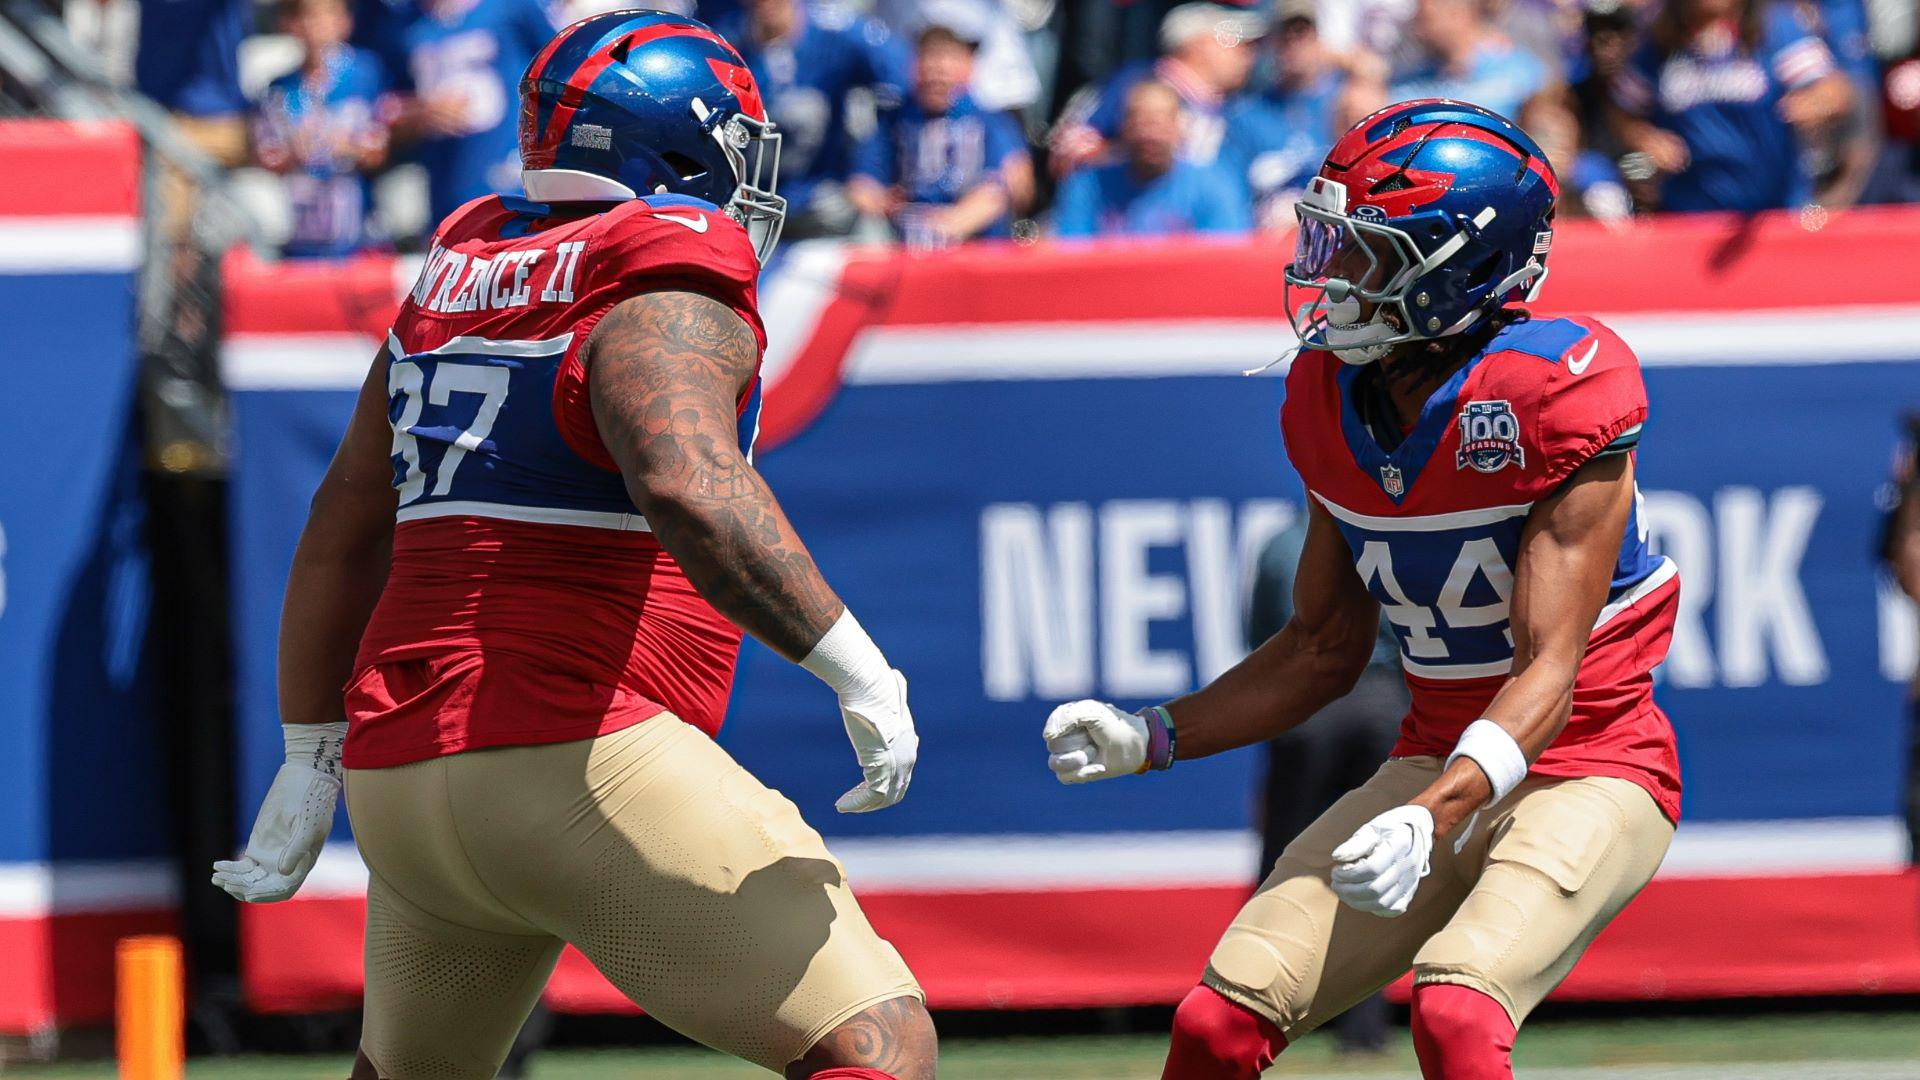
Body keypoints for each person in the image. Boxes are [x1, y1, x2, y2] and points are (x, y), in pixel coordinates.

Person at [211, 13, 935, 1079]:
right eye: (732, 143)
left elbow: (339, 528)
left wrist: (311, 752)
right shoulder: (659, 273)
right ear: (674, 146)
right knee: (881, 1049)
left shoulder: (458, 269)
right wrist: (860, 671)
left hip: (405, 777)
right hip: (570, 749)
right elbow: (690, 484)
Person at [1041, 99, 1682, 1080]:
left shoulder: (1552, 390)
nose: (1330, 274)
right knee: (1219, 1023)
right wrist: (1153, 735)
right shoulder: (1329, 396)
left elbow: (1551, 668)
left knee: (1457, 1010)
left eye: (1366, 252)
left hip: (1589, 763)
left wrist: (1437, 812)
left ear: (1459, 266)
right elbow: (1320, 649)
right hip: (1428, 762)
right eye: (1332, 243)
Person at [1243, 514, 1406, 1056]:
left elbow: (1261, 638)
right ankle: (1363, 1029)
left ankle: (1255, 1010)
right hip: (1380, 702)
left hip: (1306, 703)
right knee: (1371, 862)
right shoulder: (1383, 534)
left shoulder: (1282, 546)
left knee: (1286, 862)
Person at [1609, 0, 1853, 213]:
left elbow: (1835, 91)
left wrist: (1816, 104)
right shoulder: (1660, 39)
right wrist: (1646, 139)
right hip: (1688, 215)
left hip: (1772, 216)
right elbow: (1623, 111)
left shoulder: (1773, 28)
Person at [715, 0, 910, 239]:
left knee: (873, 233)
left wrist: (870, 171)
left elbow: (899, 90)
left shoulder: (840, 31)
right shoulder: (723, 43)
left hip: (826, 196)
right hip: (748, 203)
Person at [849, 14, 1033, 248]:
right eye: (928, 57)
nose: (936, 69)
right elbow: (862, 184)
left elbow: (1007, 187)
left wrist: (950, 223)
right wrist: (880, 202)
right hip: (904, 246)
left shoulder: (991, 121)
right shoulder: (894, 120)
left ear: (968, 65)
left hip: (974, 249)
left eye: (947, 57)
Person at [390, 0, 564, 224]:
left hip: (510, 170)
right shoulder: (404, 24)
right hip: (446, 179)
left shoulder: (511, 8)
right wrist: (419, 111)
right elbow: (385, 105)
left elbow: (562, 67)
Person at [1048, 2, 1265, 177]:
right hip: (1130, 223)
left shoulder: (1235, 107)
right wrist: (1140, 154)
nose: (1246, 54)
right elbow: (1068, 153)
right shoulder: (1134, 83)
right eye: (1234, 40)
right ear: (1195, 45)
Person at [1220, 0, 1381, 230]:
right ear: (1272, 42)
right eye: (1285, 36)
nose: (1295, 44)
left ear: (1319, 39)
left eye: (1303, 33)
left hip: (1339, 229)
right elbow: (1230, 190)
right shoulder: (1246, 114)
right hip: (1268, 234)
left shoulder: (1346, 101)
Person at [253, 0, 392, 258]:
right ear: (288, 23)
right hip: (303, 233)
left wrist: (346, 147)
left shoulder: (365, 74)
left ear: (345, 21)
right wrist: (294, 152)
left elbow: (380, 150)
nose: (314, 27)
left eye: (325, 16)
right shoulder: (279, 89)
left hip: (358, 235)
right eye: (304, 17)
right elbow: (266, 157)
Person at [1052, 79, 1252, 237]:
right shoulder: (1089, 185)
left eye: (1160, 122)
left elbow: (1223, 254)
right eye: (1141, 121)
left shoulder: (1215, 186)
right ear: (1124, 127)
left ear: (1179, 128)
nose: (1150, 134)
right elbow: (1073, 250)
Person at [1390, 0, 1549, 122]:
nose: (1418, 32)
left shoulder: (1521, 71)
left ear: (1456, 15)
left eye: (1426, 20)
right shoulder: (1415, 80)